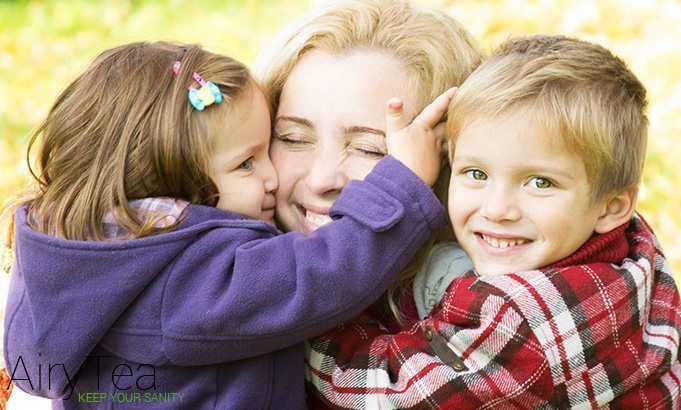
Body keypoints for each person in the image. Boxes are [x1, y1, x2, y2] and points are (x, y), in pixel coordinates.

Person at [2, 40, 456, 408]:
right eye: (245, 164)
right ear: (170, 177)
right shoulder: (187, 273)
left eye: (268, 151)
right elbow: (319, 275)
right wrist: (401, 183)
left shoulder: (91, 252)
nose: (271, 177)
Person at [306, 35, 681, 408]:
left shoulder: (524, 321)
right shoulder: (636, 246)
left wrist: (320, 313)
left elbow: (385, 395)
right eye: (476, 174)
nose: (498, 208)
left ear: (611, 206)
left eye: (539, 182)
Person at [256, 0, 483, 331]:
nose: (322, 179)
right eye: (293, 138)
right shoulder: (211, 265)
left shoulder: (467, 298)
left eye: (369, 149)